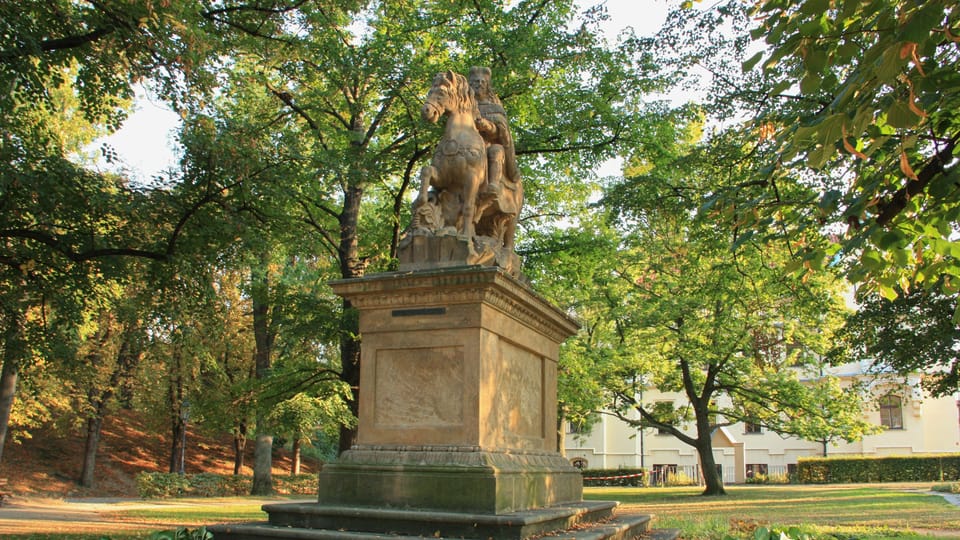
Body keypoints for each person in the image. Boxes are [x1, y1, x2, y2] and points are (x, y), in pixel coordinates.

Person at [468, 66, 520, 194]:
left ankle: (493, 185)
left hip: (487, 144)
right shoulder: (463, 105)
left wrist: (487, 126)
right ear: (470, 84)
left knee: (497, 151)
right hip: (466, 145)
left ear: (487, 85)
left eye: (482, 82)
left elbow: (501, 132)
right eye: (476, 82)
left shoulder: (494, 107)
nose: (479, 84)